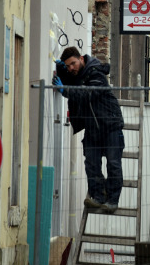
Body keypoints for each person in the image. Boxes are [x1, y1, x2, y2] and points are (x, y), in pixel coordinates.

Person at [53, 46, 124, 214]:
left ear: (82, 59)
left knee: (113, 164)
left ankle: (112, 201)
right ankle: (98, 197)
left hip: (110, 124)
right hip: (93, 127)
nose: (71, 68)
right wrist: (61, 72)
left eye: (73, 63)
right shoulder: (78, 75)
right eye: (68, 65)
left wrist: (66, 90)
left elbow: (87, 94)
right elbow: (74, 85)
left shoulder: (96, 72)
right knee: (91, 163)